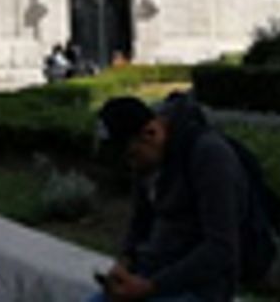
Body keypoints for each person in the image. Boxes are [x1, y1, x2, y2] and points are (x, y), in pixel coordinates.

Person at [89, 93, 250, 302]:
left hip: (198, 288)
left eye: (131, 156)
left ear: (150, 133)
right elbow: (140, 223)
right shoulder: (146, 160)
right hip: (151, 273)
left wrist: (150, 287)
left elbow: (221, 249)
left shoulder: (210, 156)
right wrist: (125, 262)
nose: (130, 166)